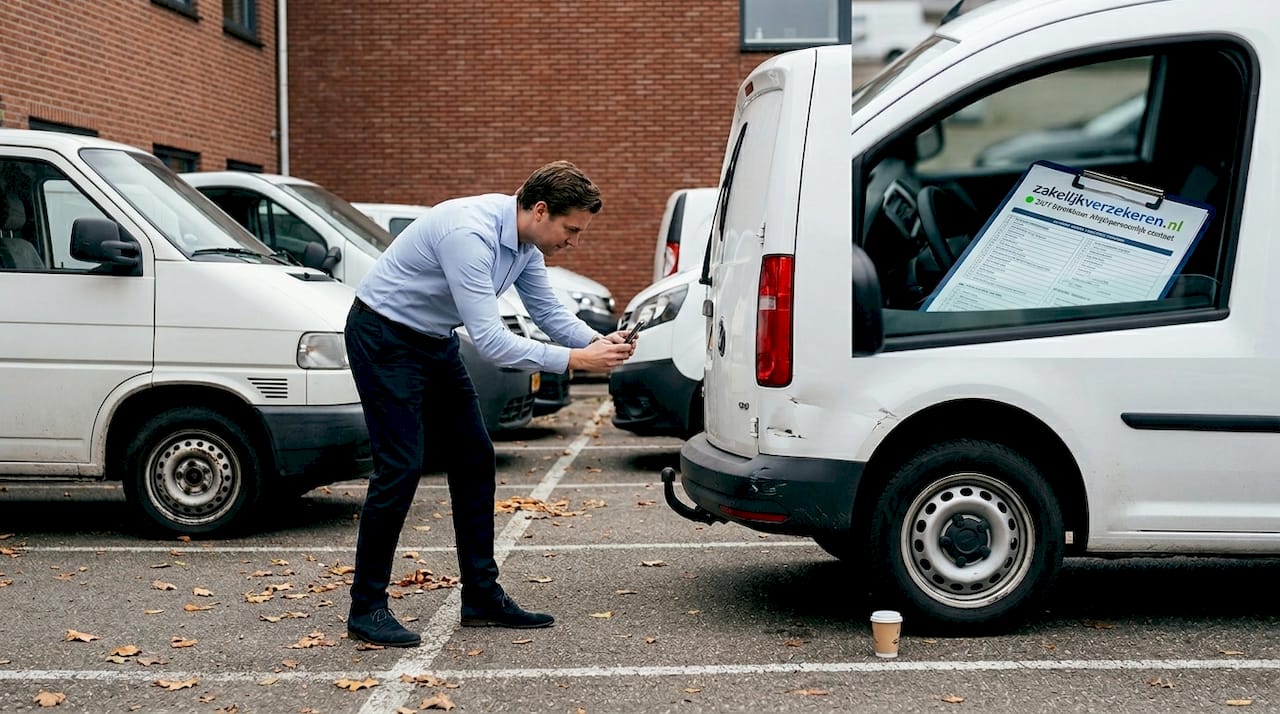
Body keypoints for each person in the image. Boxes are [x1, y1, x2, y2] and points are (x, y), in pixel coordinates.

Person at [344, 161, 636, 647]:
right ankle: (366, 608)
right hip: (383, 337)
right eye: (571, 229)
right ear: (540, 210)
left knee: (475, 460)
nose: (573, 241)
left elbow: (547, 312)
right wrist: (578, 361)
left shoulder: (525, 245)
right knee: (400, 467)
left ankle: (480, 597)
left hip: (433, 341)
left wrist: (602, 343)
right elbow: (491, 341)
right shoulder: (469, 235)